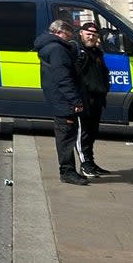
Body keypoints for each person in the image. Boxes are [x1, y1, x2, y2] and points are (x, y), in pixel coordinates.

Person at [35, 19, 88, 185]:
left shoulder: (49, 46)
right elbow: (63, 77)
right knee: (66, 138)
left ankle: (68, 171)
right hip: (64, 101)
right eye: (67, 35)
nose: (70, 38)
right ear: (58, 33)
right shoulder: (57, 49)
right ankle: (67, 172)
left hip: (59, 98)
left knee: (66, 136)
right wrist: (76, 100)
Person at [74, 22, 112, 177]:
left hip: (97, 98)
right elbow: (74, 75)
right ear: (81, 33)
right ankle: (85, 165)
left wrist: (105, 88)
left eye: (94, 35)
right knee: (83, 133)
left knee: (92, 133)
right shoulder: (78, 51)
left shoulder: (97, 51)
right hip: (84, 98)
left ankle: (91, 162)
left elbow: (103, 73)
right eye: (88, 34)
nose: (91, 37)